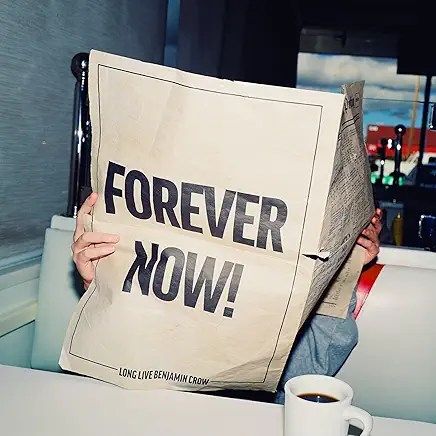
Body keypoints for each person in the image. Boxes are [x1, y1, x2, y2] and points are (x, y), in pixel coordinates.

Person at [72, 193, 382, 403]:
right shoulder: (166, 271)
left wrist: (343, 269)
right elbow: (115, 369)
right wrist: (100, 282)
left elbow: (305, 378)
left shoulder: (280, 296)